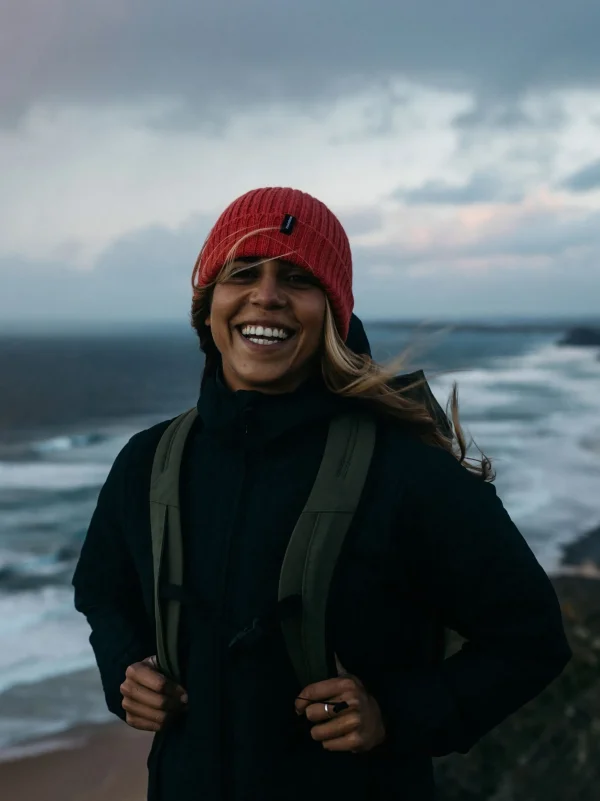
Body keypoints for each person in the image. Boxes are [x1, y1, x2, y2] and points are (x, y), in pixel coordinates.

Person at [72, 187, 571, 801]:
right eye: (243, 272)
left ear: (333, 311)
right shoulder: (148, 462)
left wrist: (396, 714)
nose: (268, 295)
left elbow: (530, 636)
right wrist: (126, 668)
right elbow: (101, 589)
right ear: (208, 305)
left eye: (299, 278)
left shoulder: (407, 472)